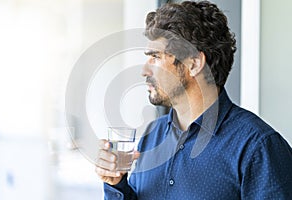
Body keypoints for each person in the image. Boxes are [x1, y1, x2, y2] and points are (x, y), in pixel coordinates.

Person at [95, 1, 292, 199]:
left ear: (194, 64)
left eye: (155, 57)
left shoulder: (257, 147)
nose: (144, 70)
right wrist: (117, 184)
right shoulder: (151, 136)